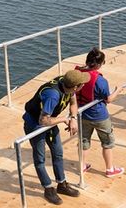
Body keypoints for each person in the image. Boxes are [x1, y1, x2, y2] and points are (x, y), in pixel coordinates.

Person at [22, 69, 89, 205]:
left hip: (51, 122)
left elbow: (73, 102)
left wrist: (73, 118)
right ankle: (48, 188)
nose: (84, 85)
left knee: (58, 153)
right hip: (35, 124)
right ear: (75, 86)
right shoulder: (53, 95)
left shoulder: (67, 85)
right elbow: (43, 120)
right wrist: (64, 120)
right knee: (40, 159)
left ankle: (61, 184)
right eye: (82, 84)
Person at [75, 48, 124, 178]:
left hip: (82, 114)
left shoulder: (77, 74)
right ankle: (110, 169)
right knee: (107, 142)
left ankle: (82, 166)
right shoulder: (100, 80)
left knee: (84, 141)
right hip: (99, 116)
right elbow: (108, 99)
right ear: (100, 64)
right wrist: (118, 90)